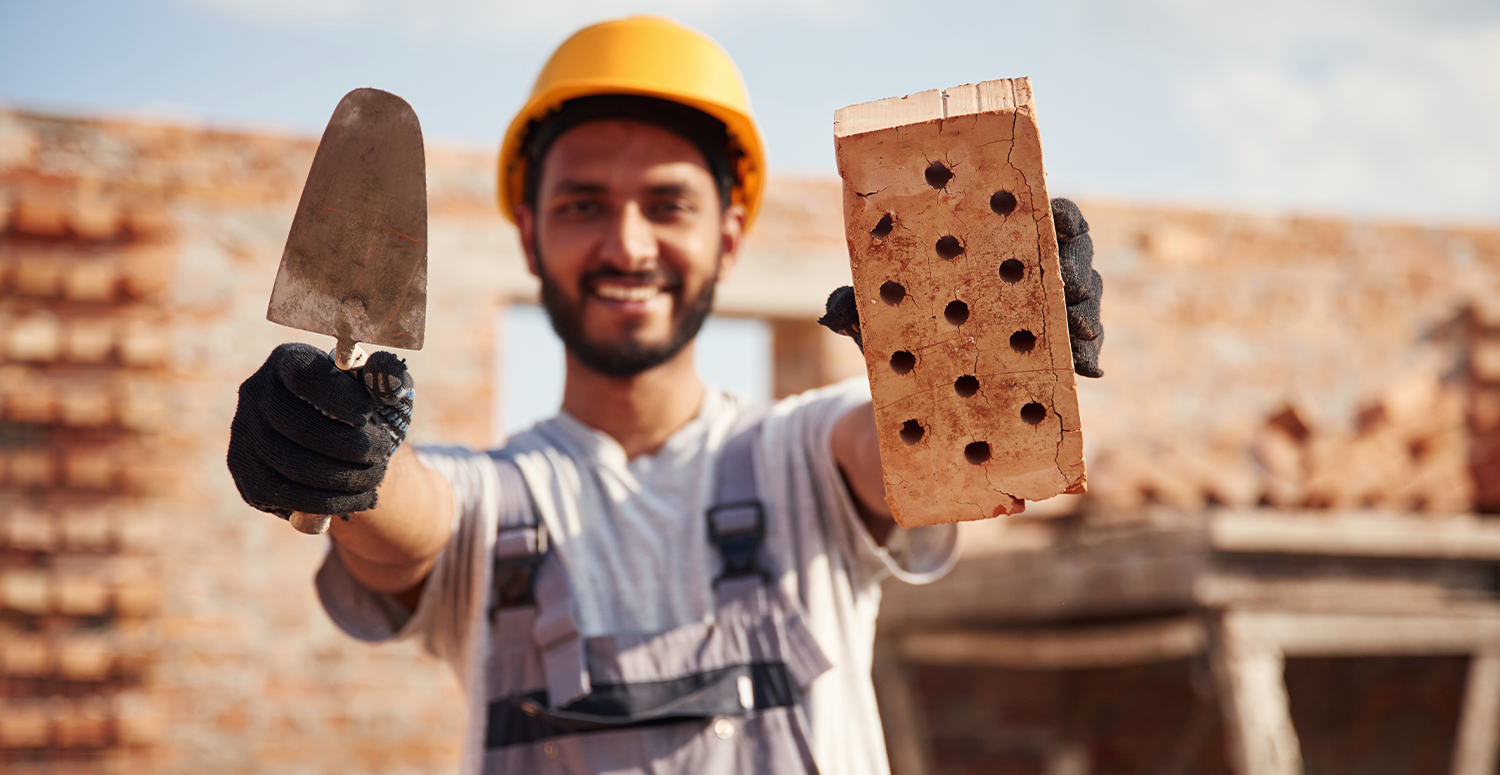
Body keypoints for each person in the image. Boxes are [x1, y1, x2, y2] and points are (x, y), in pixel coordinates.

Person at [226, 15, 1104, 775]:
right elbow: (407, 522)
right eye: (582, 205)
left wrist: (984, 346)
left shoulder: (803, 457)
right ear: (529, 235)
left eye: (667, 205)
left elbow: (911, 459)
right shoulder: (493, 500)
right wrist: (341, 454)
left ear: (729, 234)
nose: (628, 243)